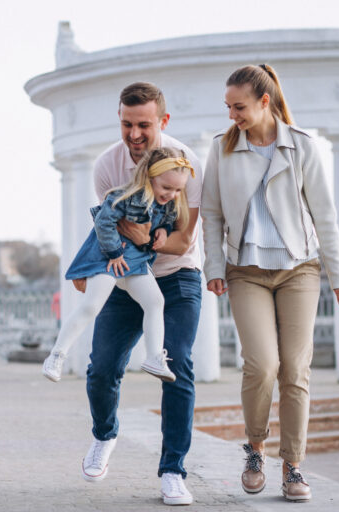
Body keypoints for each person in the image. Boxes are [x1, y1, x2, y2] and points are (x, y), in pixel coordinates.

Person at [201, 64, 339, 503]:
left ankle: (293, 465)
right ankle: (255, 448)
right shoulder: (222, 149)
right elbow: (210, 214)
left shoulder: (301, 147)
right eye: (228, 107)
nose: (233, 115)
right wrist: (214, 266)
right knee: (262, 365)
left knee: (295, 368)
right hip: (245, 270)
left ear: (264, 102)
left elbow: (325, 216)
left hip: (299, 270)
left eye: (240, 106)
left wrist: (338, 276)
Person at [74, 82, 203, 506]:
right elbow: (112, 238)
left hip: (178, 276)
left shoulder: (188, 164)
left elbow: (183, 242)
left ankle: (172, 471)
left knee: (177, 364)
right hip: (127, 277)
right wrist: (91, 268)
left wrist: (147, 239)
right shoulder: (106, 167)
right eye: (127, 124)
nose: (134, 135)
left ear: (162, 122)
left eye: (144, 125)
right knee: (102, 368)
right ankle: (105, 434)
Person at [43, 147, 194, 385]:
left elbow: (166, 220)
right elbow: (104, 222)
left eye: (178, 190)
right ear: (150, 178)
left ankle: (154, 356)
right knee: (92, 306)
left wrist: (163, 231)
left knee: (155, 301)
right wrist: (114, 252)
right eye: (166, 188)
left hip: (135, 262)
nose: (172, 194)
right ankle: (57, 355)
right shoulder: (124, 196)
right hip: (109, 258)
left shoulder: (167, 204)